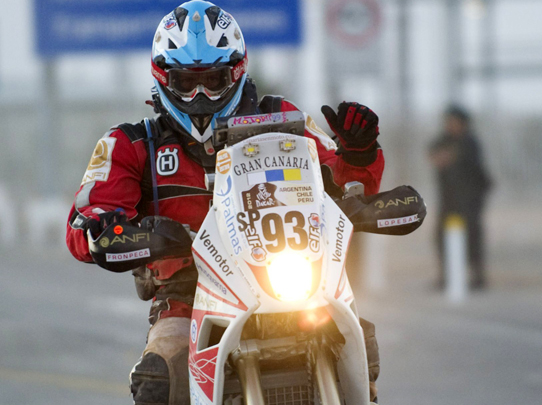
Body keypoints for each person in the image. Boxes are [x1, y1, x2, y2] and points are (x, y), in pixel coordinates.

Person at [65, 1, 384, 404]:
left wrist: (359, 153)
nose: (200, 95)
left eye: (214, 79)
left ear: (236, 72)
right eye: (185, 82)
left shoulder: (281, 118)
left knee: (358, 344)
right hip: (188, 297)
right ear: (163, 78)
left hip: (290, 275)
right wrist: (105, 230)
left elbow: (347, 184)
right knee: (160, 379)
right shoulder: (130, 144)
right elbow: (84, 220)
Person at [428, 105, 492, 290]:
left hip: (470, 199)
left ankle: (477, 276)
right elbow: (434, 154)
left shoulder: (470, 142)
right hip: (448, 198)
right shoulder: (444, 140)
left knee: (472, 237)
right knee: (442, 237)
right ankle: (447, 276)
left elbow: (468, 163)